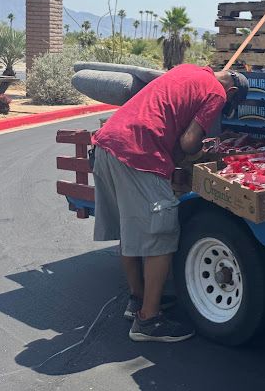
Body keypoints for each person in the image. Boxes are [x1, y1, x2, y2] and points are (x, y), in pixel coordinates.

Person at [92, 64, 248, 342]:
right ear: (232, 91)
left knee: (130, 229)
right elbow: (189, 142)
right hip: (138, 153)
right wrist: (203, 150)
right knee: (160, 234)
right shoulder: (217, 93)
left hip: (107, 143)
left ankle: (137, 300)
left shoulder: (190, 70)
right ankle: (148, 321)